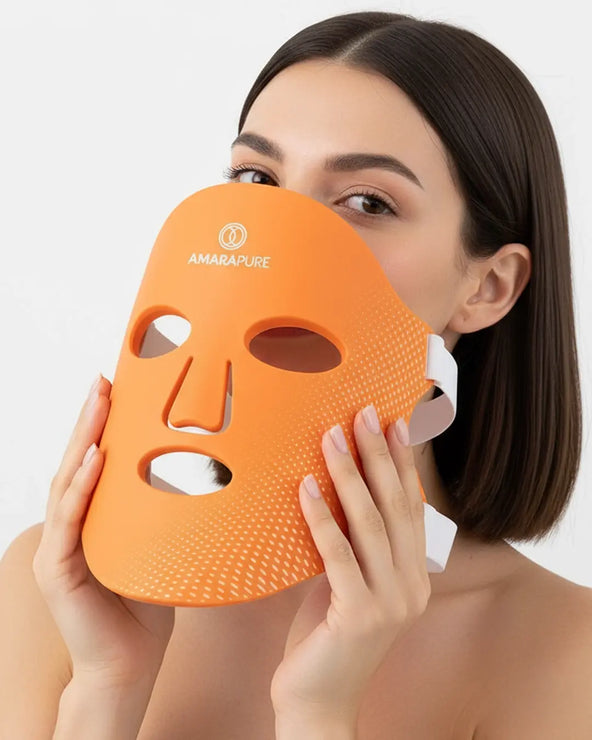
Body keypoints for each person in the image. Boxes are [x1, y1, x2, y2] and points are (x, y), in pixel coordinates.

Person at [1, 10, 591, 739]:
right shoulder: (62, 587)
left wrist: (319, 713)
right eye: (257, 178)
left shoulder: (566, 652)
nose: (278, 240)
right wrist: (106, 684)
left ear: (489, 287)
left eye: (367, 202)